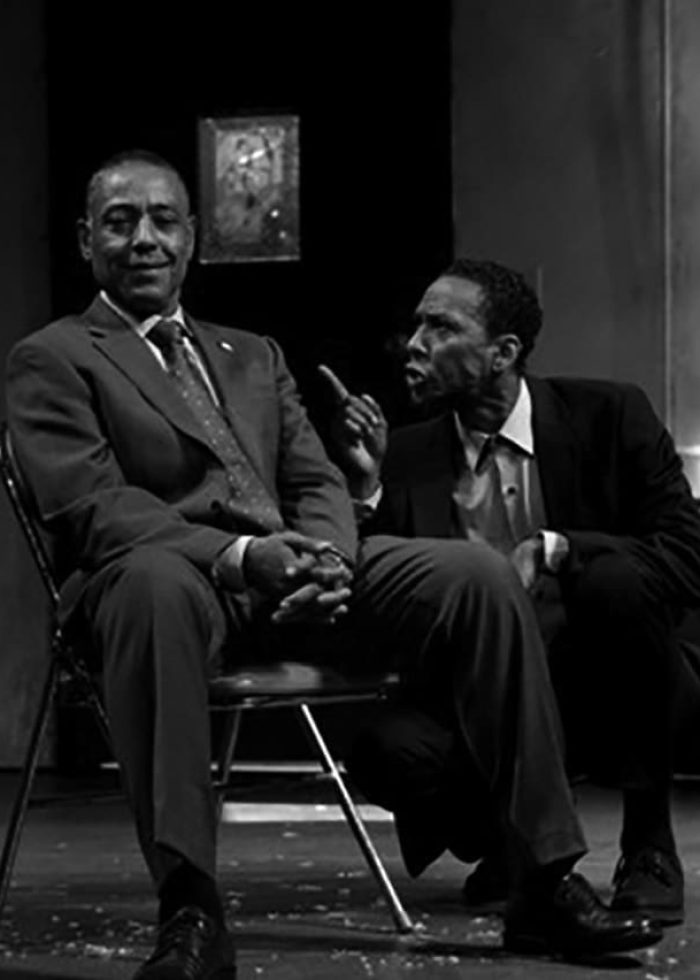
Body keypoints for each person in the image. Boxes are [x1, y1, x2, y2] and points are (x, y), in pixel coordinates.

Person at [6, 153, 661, 979]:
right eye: (121, 221)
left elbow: (314, 477)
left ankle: (541, 882)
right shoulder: (54, 357)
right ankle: (191, 907)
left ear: (193, 238)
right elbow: (94, 511)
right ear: (85, 240)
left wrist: (328, 560)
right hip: (177, 581)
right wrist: (247, 557)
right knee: (150, 585)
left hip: (299, 571)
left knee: (479, 577)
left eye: (164, 220)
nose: (145, 239)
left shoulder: (252, 353)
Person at [320, 256, 700, 931]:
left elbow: (686, 555)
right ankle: (517, 849)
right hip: (485, 698)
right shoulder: (403, 454)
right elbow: (369, 608)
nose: (415, 345)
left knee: (612, 577)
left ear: (503, 354)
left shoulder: (610, 414)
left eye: (440, 328)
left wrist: (558, 549)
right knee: (387, 748)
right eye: (416, 326)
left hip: (607, 674)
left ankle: (648, 847)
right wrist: (365, 492)